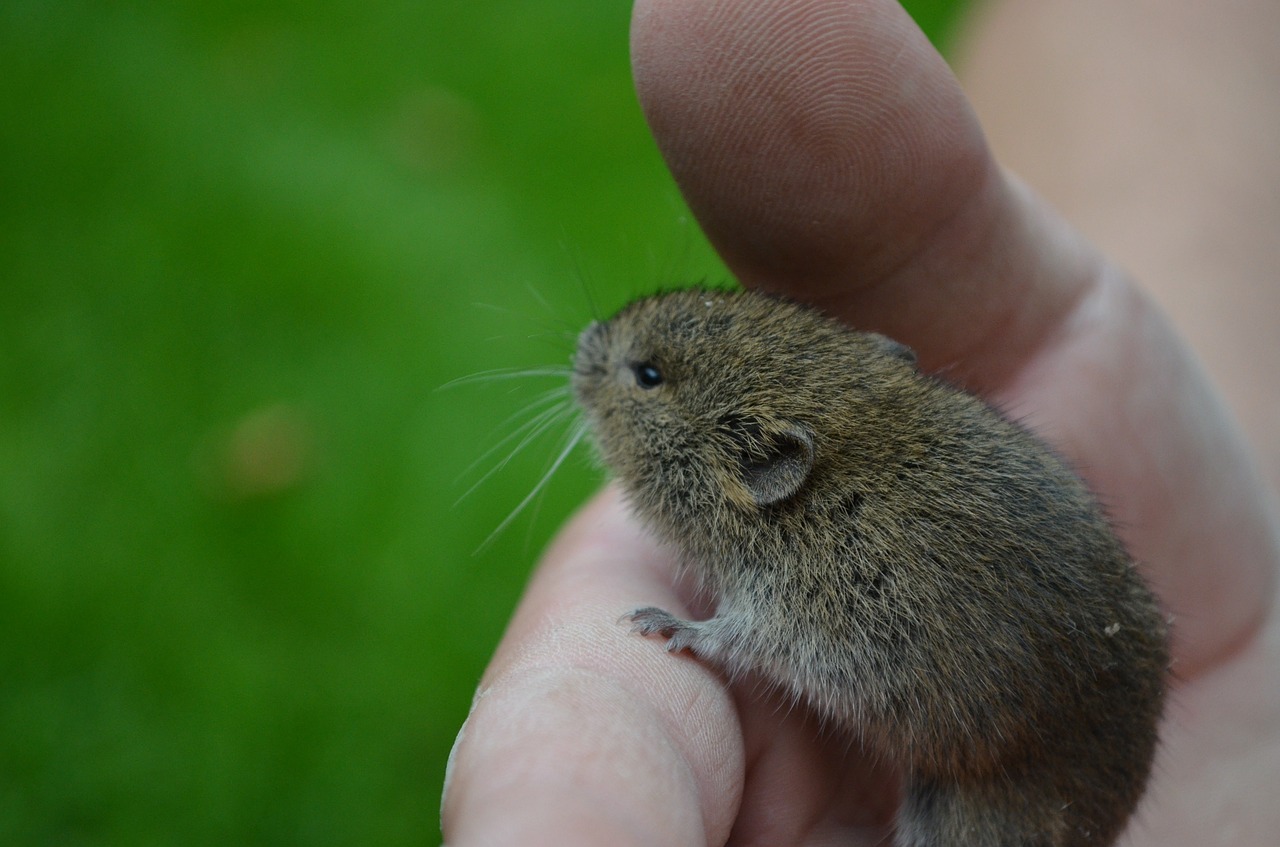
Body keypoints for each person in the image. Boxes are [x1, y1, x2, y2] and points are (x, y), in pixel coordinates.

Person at [441, 0, 1280, 843]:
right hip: (1061, 711)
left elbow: (815, 637)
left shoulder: (820, 553)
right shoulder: (849, 462)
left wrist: (719, 633)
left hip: (1015, 789)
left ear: (765, 465)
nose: (592, 353)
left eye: (645, 378)